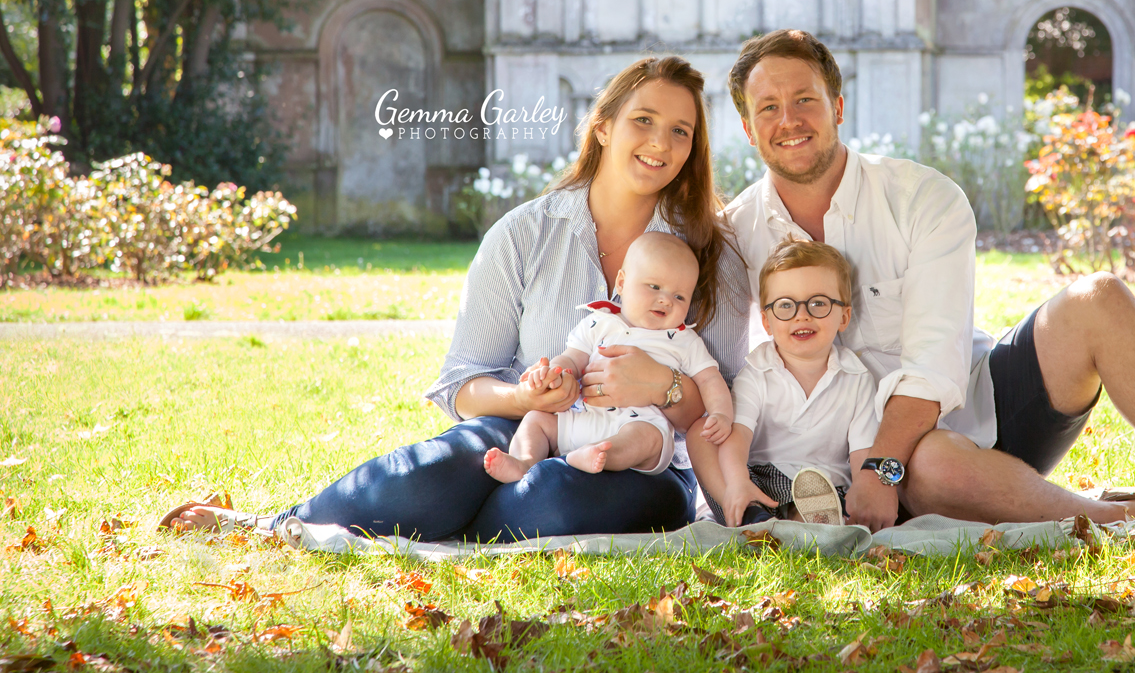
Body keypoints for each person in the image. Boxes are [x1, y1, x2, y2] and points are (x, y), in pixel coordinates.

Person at [159, 56, 749, 542]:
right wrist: (524, 394)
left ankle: (461, 525)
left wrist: (664, 388)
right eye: (643, 120)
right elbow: (463, 384)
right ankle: (277, 525)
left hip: (639, 458)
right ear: (603, 126)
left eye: (680, 130)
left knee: (554, 500)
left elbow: (720, 407)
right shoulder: (525, 233)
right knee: (430, 476)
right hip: (525, 430)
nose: (660, 143)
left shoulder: (705, 250)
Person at [722, 29, 1135, 533]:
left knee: (1098, 298)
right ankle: (1129, 518)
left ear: (838, 106)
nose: (788, 120)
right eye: (768, 107)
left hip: (975, 411)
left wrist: (880, 467)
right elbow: (718, 371)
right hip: (862, 464)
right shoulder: (735, 234)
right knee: (934, 463)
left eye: (804, 99)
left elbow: (931, 367)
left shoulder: (922, 197)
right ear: (748, 128)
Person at [482, 231, 734, 481]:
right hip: (581, 417)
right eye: (654, 286)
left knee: (647, 438)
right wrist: (554, 374)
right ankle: (524, 461)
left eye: (679, 296)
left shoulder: (683, 340)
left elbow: (710, 379)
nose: (666, 300)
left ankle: (596, 456)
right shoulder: (599, 322)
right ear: (622, 284)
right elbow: (571, 359)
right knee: (536, 420)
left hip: (638, 423)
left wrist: (721, 414)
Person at [688, 238, 879, 527]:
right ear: (766, 322)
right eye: (786, 306)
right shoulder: (757, 371)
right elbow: (736, 437)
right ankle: (749, 513)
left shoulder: (857, 378)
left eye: (818, 303)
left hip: (827, 487)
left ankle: (804, 522)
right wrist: (739, 482)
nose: (801, 315)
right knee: (700, 434)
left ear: (844, 316)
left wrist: (863, 496)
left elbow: (861, 453)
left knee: (821, 506)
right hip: (758, 481)